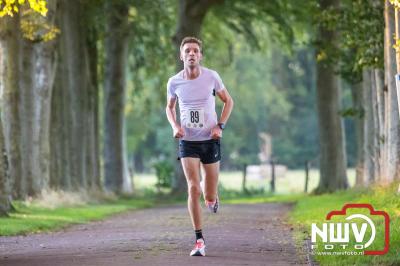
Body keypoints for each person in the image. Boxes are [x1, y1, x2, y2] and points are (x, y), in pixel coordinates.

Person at [165, 36, 234, 257]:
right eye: (187, 51)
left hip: (210, 140)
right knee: (193, 188)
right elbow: (169, 107)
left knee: (209, 195)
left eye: (195, 50)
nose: (191, 54)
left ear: (200, 55)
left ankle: (212, 197)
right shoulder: (174, 82)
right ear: (181, 56)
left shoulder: (212, 77)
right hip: (188, 142)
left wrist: (220, 126)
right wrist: (175, 125)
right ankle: (199, 240)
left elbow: (228, 101)